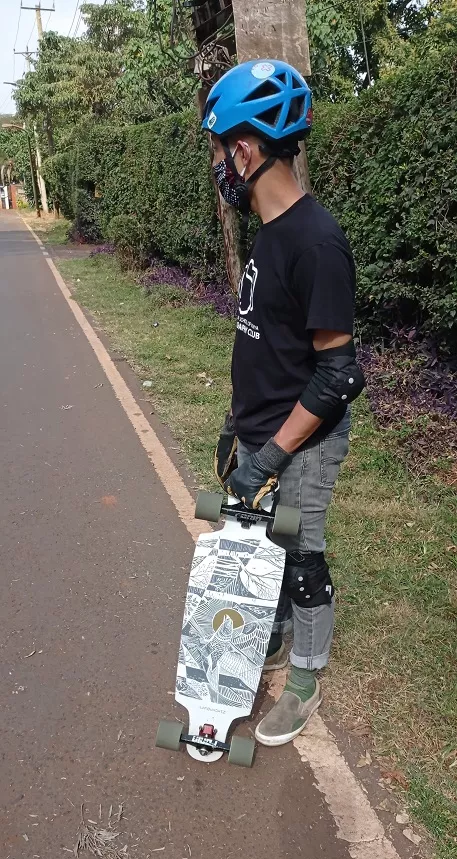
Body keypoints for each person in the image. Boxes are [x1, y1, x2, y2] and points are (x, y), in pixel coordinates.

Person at [202, 59, 365, 747]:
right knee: (264, 538)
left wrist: (270, 452)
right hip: (266, 427)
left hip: (309, 436)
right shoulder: (269, 233)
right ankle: (273, 636)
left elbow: (336, 376)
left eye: (220, 150)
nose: (220, 166)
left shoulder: (316, 241)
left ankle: (303, 677)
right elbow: (266, 344)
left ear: (247, 147)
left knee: (300, 548)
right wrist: (238, 428)